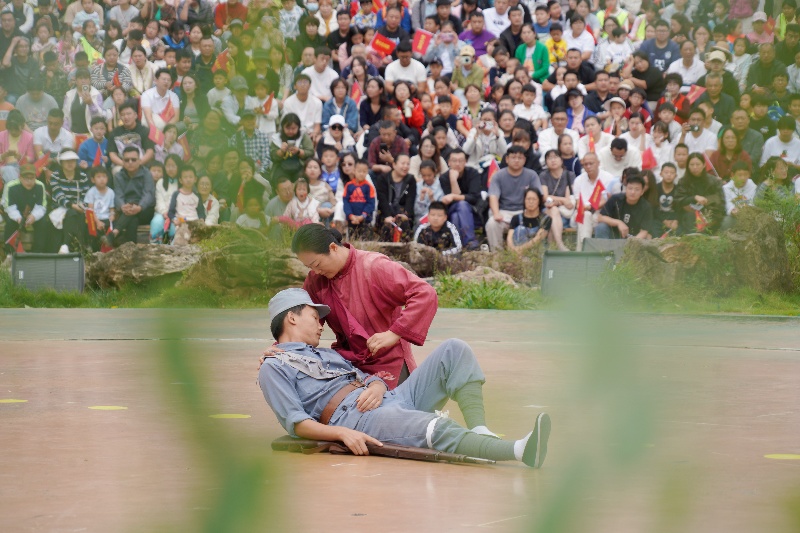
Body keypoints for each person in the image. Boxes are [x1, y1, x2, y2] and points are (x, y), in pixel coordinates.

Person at [257, 288, 551, 466]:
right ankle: (518, 451)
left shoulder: (326, 353)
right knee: (434, 427)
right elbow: (296, 422)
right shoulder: (274, 367)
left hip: (388, 397)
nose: (321, 324)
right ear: (291, 317)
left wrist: (374, 383)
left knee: (454, 350)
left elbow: (362, 374)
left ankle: (481, 430)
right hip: (355, 418)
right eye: (314, 316)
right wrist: (342, 433)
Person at [486, 144, 542, 250]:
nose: (516, 160)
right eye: (513, 157)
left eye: (520, 158)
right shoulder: (498, 175)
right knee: (492, 224)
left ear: (524, 160)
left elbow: (537, 196)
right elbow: (493, 196)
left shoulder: (532, 175)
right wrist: (496, 213)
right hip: (505, 212)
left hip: (525, 211)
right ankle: (497, 255)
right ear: (507, 159)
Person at [439, 148, 482, 249]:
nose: (457, 164)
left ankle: (457, 246)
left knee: (457, 216)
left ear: (465, 161)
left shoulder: (473, 173)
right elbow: (449, 201)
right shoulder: (444, 178)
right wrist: (453, 180)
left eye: (461, 161)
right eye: (454, 161)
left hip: (472, 211)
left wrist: (454, 196)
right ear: (449, 162)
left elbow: (474, 198)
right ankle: (470, 241)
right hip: (450, 210)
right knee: (461, 205)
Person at [49, 150, 91, 253]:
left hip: (78, 207)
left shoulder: (82, 176)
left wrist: (81, 206)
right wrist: (72, 205)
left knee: (79, 215)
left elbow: (85, 194)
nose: (70, 163)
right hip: (60, 207)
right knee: (72, 213)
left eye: (73, 160)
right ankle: (71, 245)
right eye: (67, 161)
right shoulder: (55, 176)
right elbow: (59, 195)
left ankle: (69, 246)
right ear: (61, 163)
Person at [673, 152, 725, 235]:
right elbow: (677, 201)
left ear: (704, 165)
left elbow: (721, 202)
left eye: (698, 164)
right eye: (692, 164)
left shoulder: (714, 181)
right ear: (688, 166)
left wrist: (708, 205)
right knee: (690, 217)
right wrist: (694, 198)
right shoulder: (683, 182)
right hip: (689, 216)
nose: (695, 167)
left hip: (711, 216)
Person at [113, 146, 155, 244]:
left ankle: (115, 232)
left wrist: (139, 207)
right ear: (123, 162)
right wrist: (122, 206)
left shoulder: (146, 173)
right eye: (127, 160)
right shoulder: (118, 176)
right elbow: (118, 195)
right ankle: (131, 248)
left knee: (131, 215)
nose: (130, 162)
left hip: (145, 210)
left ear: (139, 161)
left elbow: (148, 194)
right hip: (128, 210)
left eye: (133, 159)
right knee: (132, 220)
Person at [1, 164, 47, 253]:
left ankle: (38, 252)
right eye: (26, 178)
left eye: (32, 178)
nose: (29, 181)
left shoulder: (40, 186)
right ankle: (10, 253)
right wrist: (18, 218)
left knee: (43, 222)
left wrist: (33, 216)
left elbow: (41, 206)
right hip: (13, 213)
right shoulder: (11, 186)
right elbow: (8, 207)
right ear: (20, 177)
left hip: (33, 213)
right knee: (10, 223)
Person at [595, 174, 653, 240]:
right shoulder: (615, 199)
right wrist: (618, 222)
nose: (633, 192)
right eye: (630, 188)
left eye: (637, 189)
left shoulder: (646, 207)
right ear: (626, 189)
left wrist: (632, 243)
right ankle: (602, 250)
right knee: (601, 227)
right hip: (613, 235)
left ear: (642, 192)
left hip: (633, 238)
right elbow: (600, 217)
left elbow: (644, 231)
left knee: (648, 237)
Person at [375, 153, 415, 242]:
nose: (405, 166)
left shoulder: (411, 180)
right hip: (386, 213)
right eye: (403, 163)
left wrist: (405, 215)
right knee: (387, 226)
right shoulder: (383, 179)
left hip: (402, 213)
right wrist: (388, 216)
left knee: (404, 223)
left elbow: (410, 200)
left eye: (408, 164)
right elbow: (382, 200)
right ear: (394, 164)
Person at [721, 161, 757, 231]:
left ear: (749, 175)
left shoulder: (752, 186)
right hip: (733, 216)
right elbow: (727, 203)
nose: (743, 178)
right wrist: (732, 210)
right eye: (739, 175)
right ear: (732, 175)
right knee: (726, 221)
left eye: (745, 175)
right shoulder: (726, 188)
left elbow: (753, 201)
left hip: (749, 215)